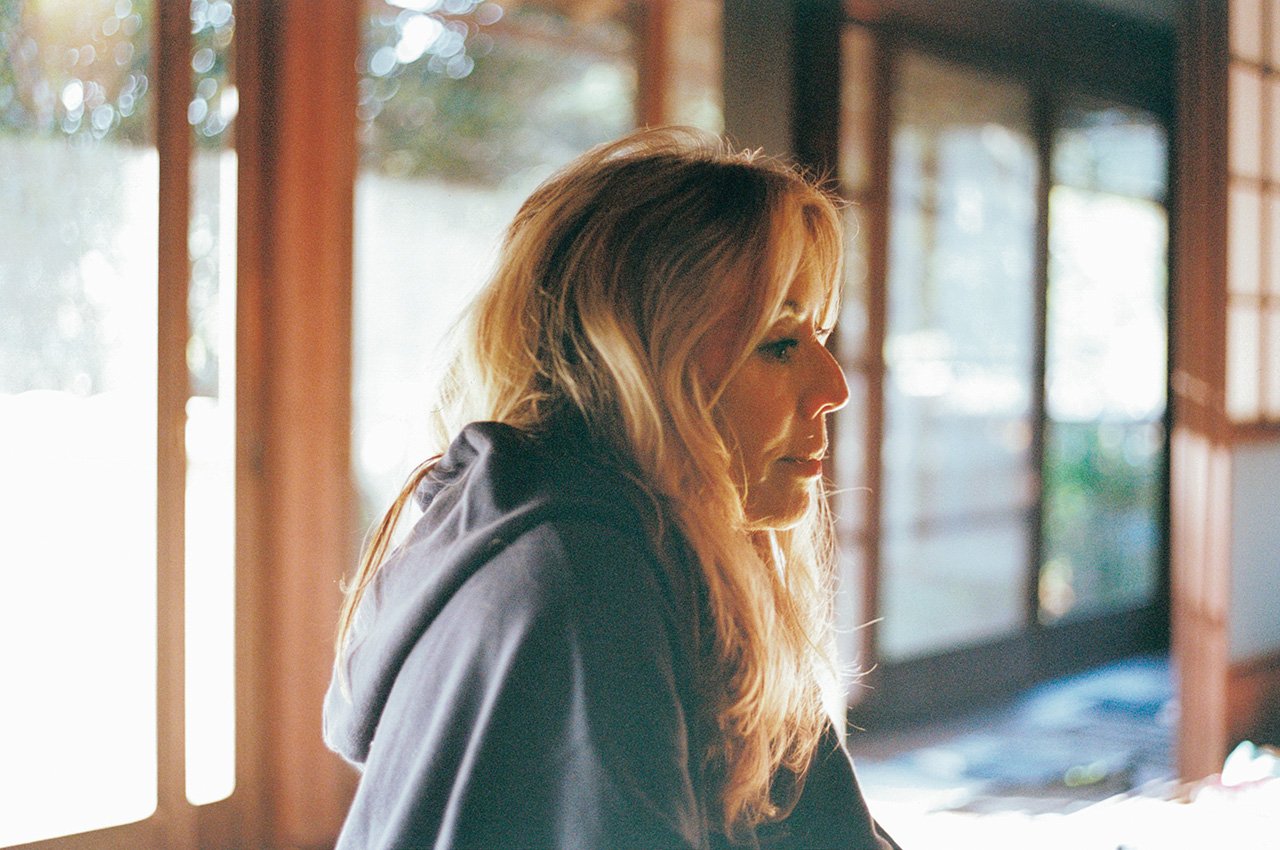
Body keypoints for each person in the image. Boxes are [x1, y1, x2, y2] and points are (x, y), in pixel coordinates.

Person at [323, 127, 901, 850]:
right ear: (643, 365)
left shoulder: (679, 563)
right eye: (779, 343)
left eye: (819, 337)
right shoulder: (588, 583)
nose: (833, 387)